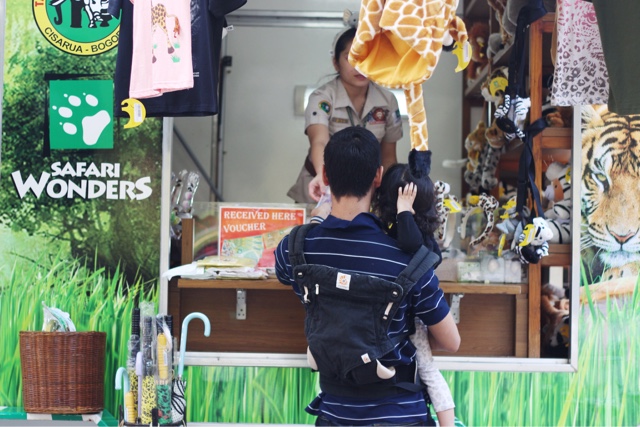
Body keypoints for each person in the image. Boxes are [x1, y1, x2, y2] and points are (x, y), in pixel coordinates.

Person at [275, 127, 460, 426]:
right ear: (378, 176)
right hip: (401, 415)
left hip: (335, 415)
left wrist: (319, 213)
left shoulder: (294, 249)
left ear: (325, 175)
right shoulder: (412, 259)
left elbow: (288, 271)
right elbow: (451, 341)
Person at [374, 166, 457, 427]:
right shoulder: (389, 230)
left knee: (428, 370)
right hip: (394, 320)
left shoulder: (417, 238)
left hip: (412, 319)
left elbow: (413, 248)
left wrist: (403, 213)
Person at [287, 27, 403, 204]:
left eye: (367, 57)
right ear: (336, 63)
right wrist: (323, 178)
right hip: (322, 187)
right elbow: (319, 141)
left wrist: (387, 194)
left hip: (365, 191)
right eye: (350, 57)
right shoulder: (323, 98)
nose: (359, 65)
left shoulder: (387, 101)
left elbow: (388, 156)